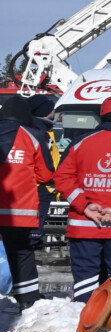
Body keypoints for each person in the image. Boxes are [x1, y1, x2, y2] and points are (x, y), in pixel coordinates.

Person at [48, 96, 111, 306]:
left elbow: (62, 178)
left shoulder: (81, 142)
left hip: (84, 225)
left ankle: (86, 319)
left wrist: (85, 206)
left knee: (86, 276)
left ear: (101, 115)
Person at [1, 87, 53, 307]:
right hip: (19, 211)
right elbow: (46, 174)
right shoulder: (33, 135)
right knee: (21, 254)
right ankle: (28, 303)